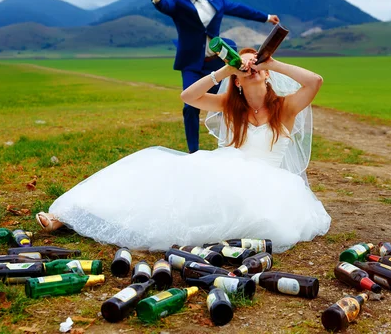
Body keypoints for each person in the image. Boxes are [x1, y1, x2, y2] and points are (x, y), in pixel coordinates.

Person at [36, 50, 331, 253]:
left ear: (266, 75)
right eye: (243, 69)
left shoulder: (285, 108)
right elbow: (188, 96)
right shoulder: (230, 106)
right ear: (237, 82)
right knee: (157, 174)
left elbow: (315, 81)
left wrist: (273, 63)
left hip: (265, 184)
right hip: (222, 168)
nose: (251, 69)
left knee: (207, 220)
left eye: (256, 66)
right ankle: (69, 213)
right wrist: (223, 70)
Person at [150, 0, 280, 153]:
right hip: (192, 65)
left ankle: (236, 146)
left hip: (219, 62)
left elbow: (238, 9)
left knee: (233, 102)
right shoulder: (176, 0)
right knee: (190, 106)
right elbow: (165, 6)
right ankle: (193, 152)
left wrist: (266, 17)